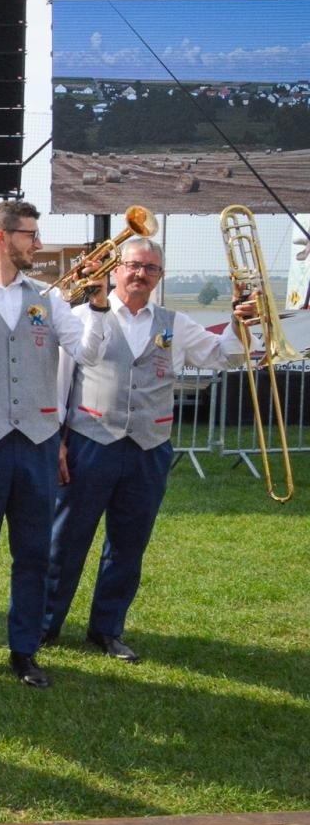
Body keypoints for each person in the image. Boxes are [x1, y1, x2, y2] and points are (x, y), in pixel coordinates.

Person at [43, 237, 248, 663]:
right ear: (117, 270)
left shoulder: (176, 323)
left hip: (148, 448)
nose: (140, 274)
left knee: (128, 545)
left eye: (150, 269)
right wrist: (57, 444)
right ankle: (46, 624)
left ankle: (107, 629)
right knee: (66, 540)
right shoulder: (83, 316)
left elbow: (223, 356)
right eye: (134, 266)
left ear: (159, 277)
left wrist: (239, 322)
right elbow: (60, 384)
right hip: (90, 442)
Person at [0, 201, 106, 688]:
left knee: (34, 551)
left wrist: (99, 306)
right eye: (30, 235)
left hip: (39, 443)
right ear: (1, 237)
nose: (37, 245)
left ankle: (24, 650)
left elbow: (87, 351)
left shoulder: (49, 298)